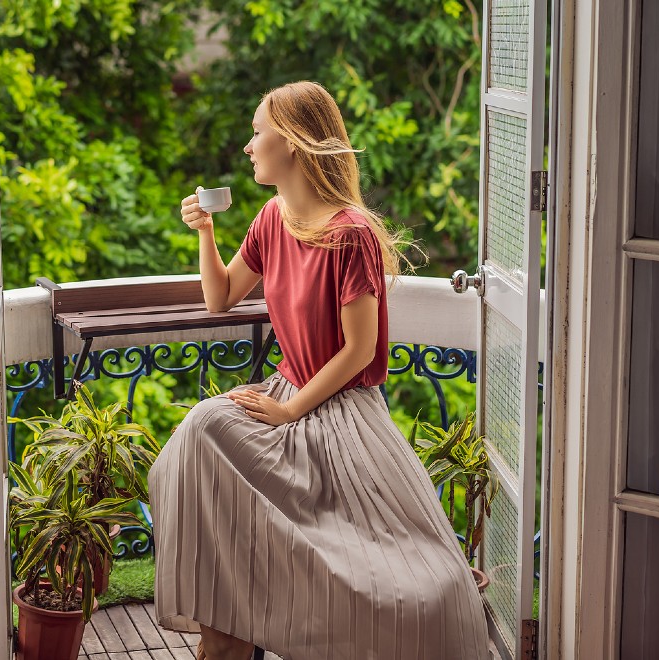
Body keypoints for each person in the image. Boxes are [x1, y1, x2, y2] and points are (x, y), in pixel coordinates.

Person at [146, 81, 492, 660]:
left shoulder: (351, 232)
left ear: (296, 144)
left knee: (416, 590)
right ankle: (227, 633)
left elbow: (358, 351)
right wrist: (205, 235)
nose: (249, 146)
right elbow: (220, 297)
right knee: (196, 440)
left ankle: (241, 636)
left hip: (340, 412)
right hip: (286, 395)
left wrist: (288, 409)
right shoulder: (270, 218)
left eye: (259, 132)